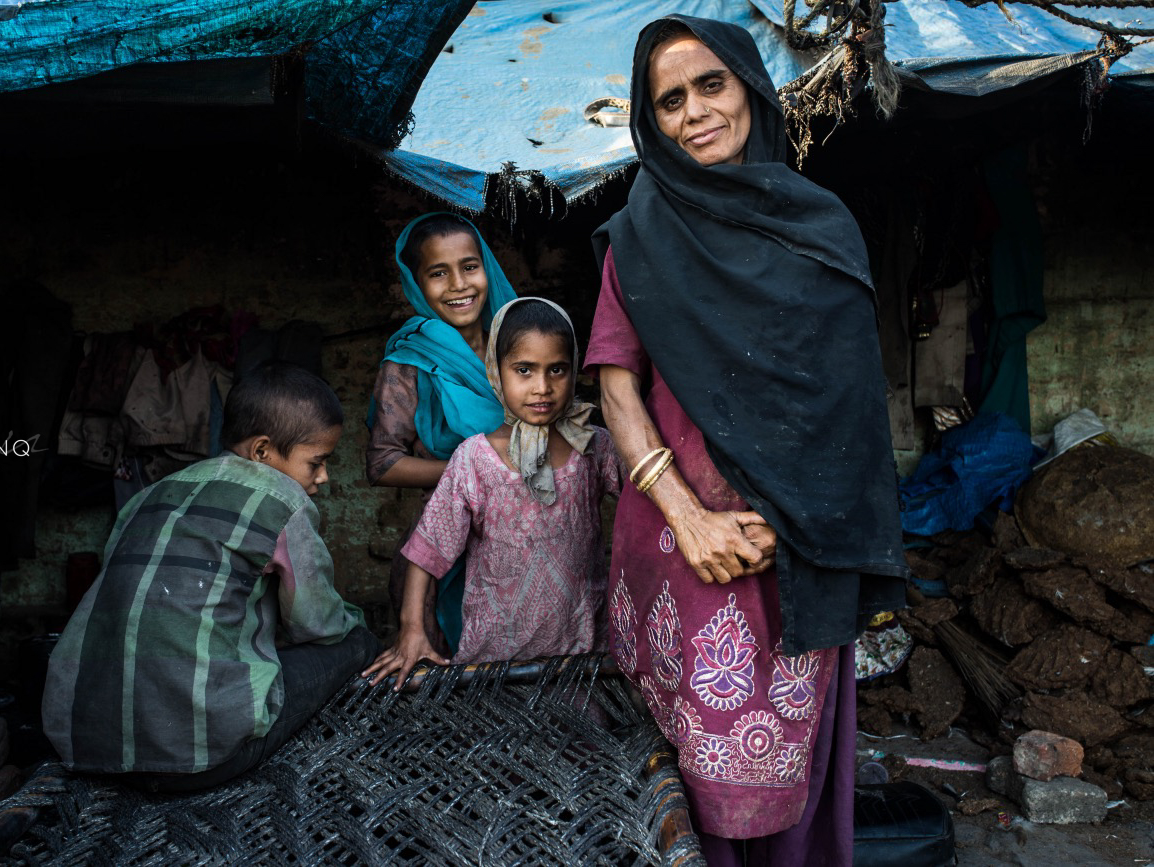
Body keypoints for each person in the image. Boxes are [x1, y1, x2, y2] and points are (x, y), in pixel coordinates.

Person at [586, 16, 906, 866]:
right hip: (679, 547)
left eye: (711, 85)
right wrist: (692, 518)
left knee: (787, 786)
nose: (694, 112)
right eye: (669, 100)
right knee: (684, 792)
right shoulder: (638, 235)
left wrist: (794, 520)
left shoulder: (820, 225)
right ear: (651, 123)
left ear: (752, 89)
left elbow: (849, 406)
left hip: (795, 552)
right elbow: (617, 387)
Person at [43, 361, 379, 792]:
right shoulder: (282, 501)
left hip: (92, 745)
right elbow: (317, 623)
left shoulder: (150, 494)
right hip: (204, 756)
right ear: (262, 452)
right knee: (356, 642)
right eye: (317, 462)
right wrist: (352, 623)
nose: (324, 477)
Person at [365, 298, 624, 689]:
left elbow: (644, 509)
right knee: (500, 745)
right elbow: (426, 552)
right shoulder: (474, 459)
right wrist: (411, 630)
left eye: (557, 369)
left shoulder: (594, 446)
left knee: (578, 745)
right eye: (524, 370)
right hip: (494, 659)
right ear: (495, 373)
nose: (542, 387)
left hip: (583, 655)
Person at [366, 213, 517, 660]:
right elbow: (381, 463)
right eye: (438, 273)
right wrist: (478, 466)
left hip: (522, 544)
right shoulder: (409, 361)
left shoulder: (517, 348)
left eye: (470, 266)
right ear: (415, 283)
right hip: (442, 557)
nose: (459, 285)